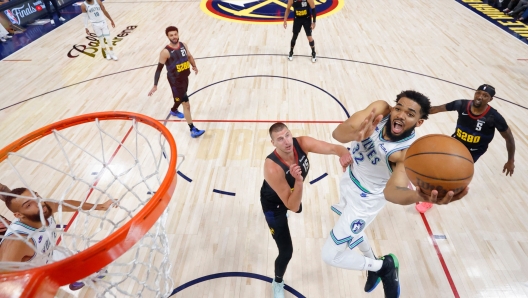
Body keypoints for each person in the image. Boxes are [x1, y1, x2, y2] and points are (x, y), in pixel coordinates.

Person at [322, 91, 469, 298]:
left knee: (330, 255)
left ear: (419, 122)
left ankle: (383, 267)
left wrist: (422, 197)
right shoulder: (380, 110)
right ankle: (373, 262)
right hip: (351, 180)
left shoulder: (405, 153)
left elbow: (391, 193)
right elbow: (338, 135)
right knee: (353, 231)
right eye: (398, 108)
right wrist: (355, 135)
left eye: (410, 114)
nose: (400, 115)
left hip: (366, 200)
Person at [260, 122, 351, 298]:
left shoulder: (301, 143)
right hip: (275, 205)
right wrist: (299, 182)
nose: (286, 141)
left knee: (293, 198)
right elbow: (292, 206)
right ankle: (278, 281)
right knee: (286, 252)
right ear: (273, 143)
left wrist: (343, 154)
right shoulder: (271, 167)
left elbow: (334, 148)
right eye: (280, 139)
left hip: (290, 194)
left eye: (287, 135)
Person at [415, 84, 515, 213]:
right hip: (455, 143)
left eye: (485, 96)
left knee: (450, 175)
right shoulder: (461, 104)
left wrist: (510, 160)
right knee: (436, 165)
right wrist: (415, 114)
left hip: (473, 152)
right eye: (478, 93)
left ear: (490, 99)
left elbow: (509, 138)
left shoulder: (494, 117)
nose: (480, 96)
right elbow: (437, 109)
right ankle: (430, 187)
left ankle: (431, 199)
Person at [0, 187, 114, 290]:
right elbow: (4, 278)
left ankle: (78, 278)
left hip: (50, 254)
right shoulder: (17, 241)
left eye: (36, 196)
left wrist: (100, 206)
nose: (38, 203)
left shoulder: (45, 207)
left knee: (88, 264)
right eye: (28, 205)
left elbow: (65, 204)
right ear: (19, 215)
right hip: (34, 277)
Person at [148, 26, 205, 138]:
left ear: (178, 34)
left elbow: (189, 56)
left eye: (175, 34)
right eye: (171, 35)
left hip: (184, 78)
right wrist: (155, 85)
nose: (174, 37)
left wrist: (194, 66)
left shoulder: (183, 45)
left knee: (179, 99)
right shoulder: (165, 52)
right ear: (168, 37)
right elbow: (159, 69)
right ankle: (192, 129)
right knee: (186, 105)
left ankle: (174, 110)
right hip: (175, 81)